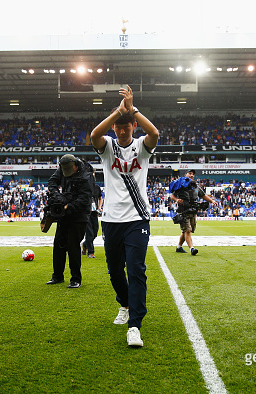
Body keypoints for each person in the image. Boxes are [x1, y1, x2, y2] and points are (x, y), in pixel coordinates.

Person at [90, 85, 159, 347]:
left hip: (137, 218)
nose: (121, 130)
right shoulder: (107, 147)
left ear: (133, 127)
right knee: (115, 272)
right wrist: (118, 111)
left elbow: (154, 132)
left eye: (126, 126)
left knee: (136, 270)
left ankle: (135, 326)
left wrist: (133, 110)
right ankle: (125, 304)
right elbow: (95, 134)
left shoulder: (142, 146)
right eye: (118, 127)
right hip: (111, 219)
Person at [46, 154, 92, 289]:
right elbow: (52, 182)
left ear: (75, 166)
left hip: (80, 214)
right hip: (64, 213)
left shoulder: (86, 175)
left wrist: (68, 206)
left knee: (73, 246)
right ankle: (57, 276)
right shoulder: (63, 167)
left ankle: (76, 279)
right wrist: (57, 196)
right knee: (58, 244)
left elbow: (84, 199)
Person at [170, 170, 218, 255]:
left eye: (193, 174)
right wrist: (177, 200)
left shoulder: (196, 186)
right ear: (185, 175)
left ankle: (179, 247)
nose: (192, 175)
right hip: (183, 211)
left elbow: (203, 195)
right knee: (187, 231)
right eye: (190, 174)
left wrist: (211, 201)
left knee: (187, 230)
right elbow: (172, 195)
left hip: (193, 211)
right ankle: (192, 249)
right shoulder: (180, 185)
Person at [82, 171, 103, 258]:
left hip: (94, 213)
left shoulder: (97, 188)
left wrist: (99, 207)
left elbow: (100, 198)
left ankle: (85, 244)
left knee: (95, 232)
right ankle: (91, 252)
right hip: (86, 213)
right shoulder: (83, 188)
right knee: (90, 233)